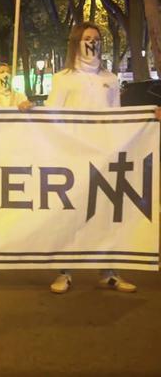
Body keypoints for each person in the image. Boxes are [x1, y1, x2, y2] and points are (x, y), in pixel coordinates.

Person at [45, 23, 134, 294]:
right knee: (71, 215)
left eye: (96, 38)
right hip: (73, 157)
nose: (92, 43)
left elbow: (117, 116)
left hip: (104, 155)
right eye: (87, 38)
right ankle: (65, 272)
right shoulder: (63, 78)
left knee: (106, 214)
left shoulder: (110, 78)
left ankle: (109, 272)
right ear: (76, 42)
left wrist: (148, 118)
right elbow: (51, 115)